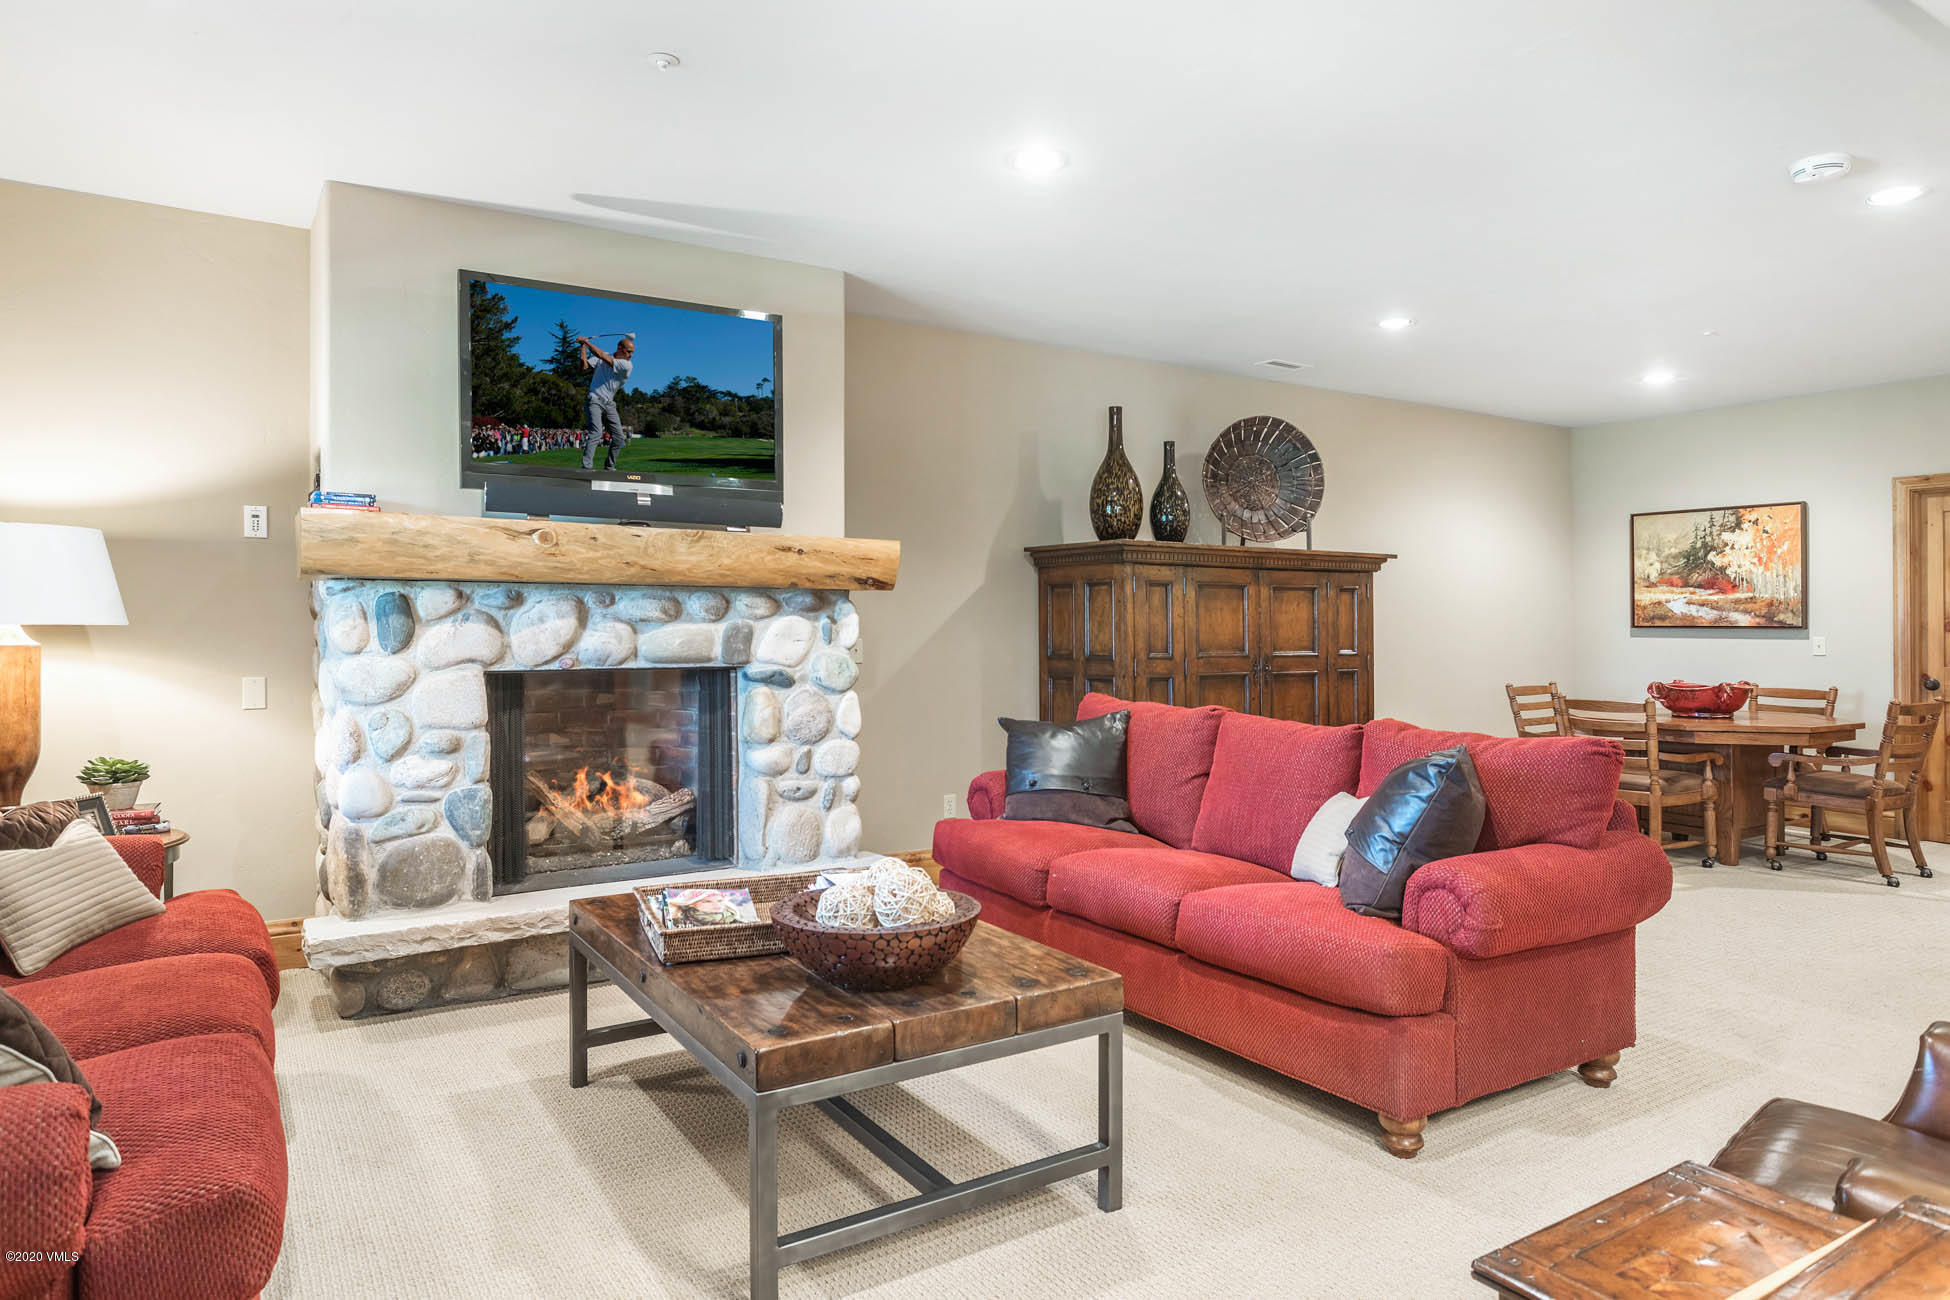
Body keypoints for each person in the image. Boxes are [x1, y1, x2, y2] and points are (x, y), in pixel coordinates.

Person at [579, 334, 635, 471]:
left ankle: (610, 465)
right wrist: (583, 347)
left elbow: (602, 356)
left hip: (609, 403)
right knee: (596, 433)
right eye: (628, 351)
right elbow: (584, 366)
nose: (631, 355)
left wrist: (587, 343)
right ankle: (587, 467)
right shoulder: (604, 357)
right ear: (619, 348)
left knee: (619, 437)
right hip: (594, 400)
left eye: (632, 352)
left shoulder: (627, 365)